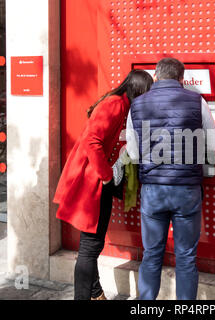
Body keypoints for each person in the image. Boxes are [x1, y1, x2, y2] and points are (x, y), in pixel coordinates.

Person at [53, 69, 153, 300]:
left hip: (93, 180)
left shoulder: (118, 103)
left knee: (90, 244)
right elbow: (92, 141)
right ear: (139, 91)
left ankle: (96, 294)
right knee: (90, 247)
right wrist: (107, 176)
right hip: (92, 182)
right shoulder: (115, 105)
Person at [126, 58, 215, 300]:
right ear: (182, 79)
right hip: (187, 190)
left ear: (155, 77)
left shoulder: (136, 105)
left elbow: (134, 154)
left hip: (153, 191)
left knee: (151, 253)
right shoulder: (196, 101)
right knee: (186, 256)